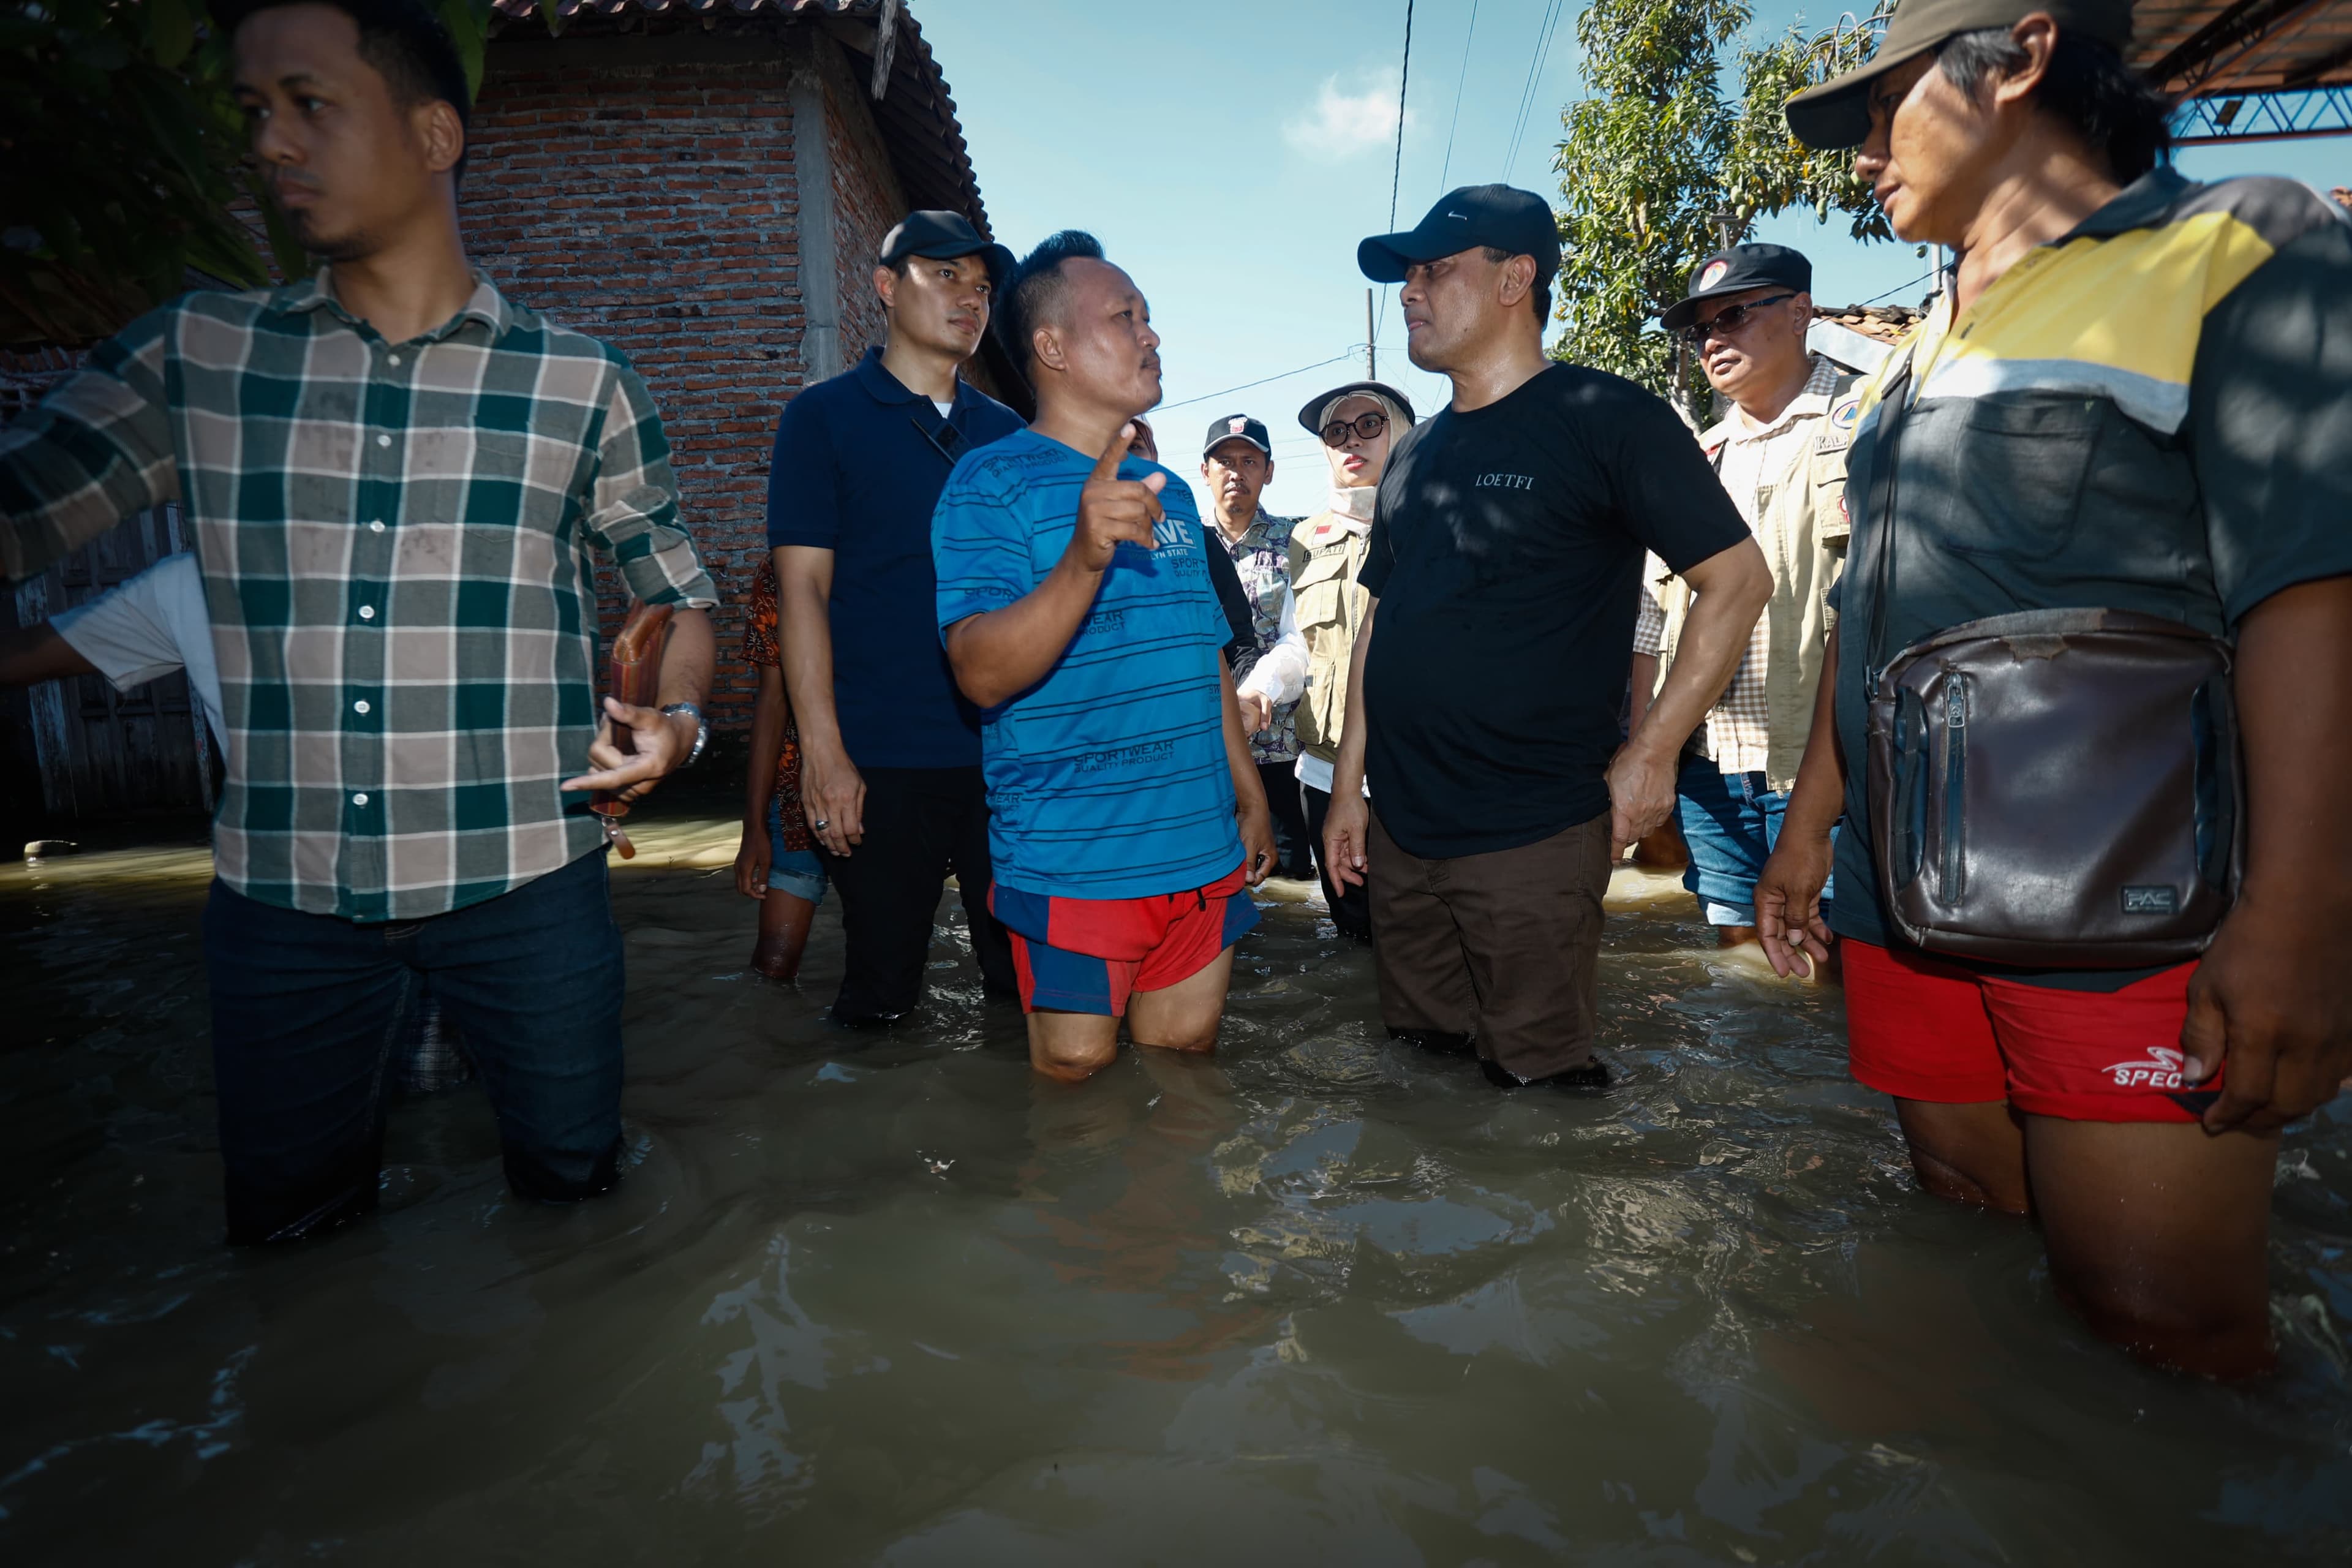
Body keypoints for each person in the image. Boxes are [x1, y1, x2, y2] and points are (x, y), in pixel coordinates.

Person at [0, 0, 718, 1243]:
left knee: (579, 1203)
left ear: (433, 131)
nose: (272, 146)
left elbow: (676, 594)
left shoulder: (578, 380)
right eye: (253, 115)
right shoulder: (200, 358)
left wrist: (681, 719)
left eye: (309, 104)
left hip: (529, 885)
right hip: (285, 901)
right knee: (288, 1239)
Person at [1758, 0, 2352, 1376]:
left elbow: (2314, 586)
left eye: (1882, 106)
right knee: (1964, 1234)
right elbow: (1866, 613)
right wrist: (1809, 826)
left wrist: (2306, 915)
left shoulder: (2237, 242)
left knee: (2167, 1336)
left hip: (2134, 909)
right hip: (1906, 899)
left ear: (2021, 57)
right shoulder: (1910, 356)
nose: (1861, 156)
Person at [1321, 185, 1772, 1091]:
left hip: (1531, 829)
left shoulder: (1609, 417)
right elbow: (1382, 618)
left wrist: (1651, 753)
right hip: (1403, 829)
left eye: (1434, 270)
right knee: (1420, 1073)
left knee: (1538, 1096)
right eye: (1407, 275)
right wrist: (1346, 789)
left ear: (1514, 279)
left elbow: (1738, 581)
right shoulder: (1416, 452)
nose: (1410, 291)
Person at [932, 230, 1276, 1083]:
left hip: (1200, 847)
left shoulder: (1175, 492)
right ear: (1051, 347)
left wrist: (1248, 792)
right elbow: (976, 671)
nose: (1151, 335)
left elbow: (1203, 656)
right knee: (1076, 1082)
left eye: (1149, 318)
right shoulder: (988, 484)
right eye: (1125, 317)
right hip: (1073, 855)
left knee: (1186, 1066)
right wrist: (1083, 556)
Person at [0, 551, 473, 1094]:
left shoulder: (438, 550)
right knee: (322, 1108)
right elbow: (25, 653)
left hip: (454, 888)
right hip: (290, 904)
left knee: (433, 1097)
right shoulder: (191, 582)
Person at [768, 209, 1023, 1025]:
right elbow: (801, 592)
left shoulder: (1009, 434)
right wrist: (824, 755)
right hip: (878, 759)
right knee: (881, 993)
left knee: (1024, 989)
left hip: (1005, 761)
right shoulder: (823, 417)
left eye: (981, 286)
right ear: (885, 286)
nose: (969, 298)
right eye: (944, 275)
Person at [1630, 244, 1858, 952]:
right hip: (1711, 771)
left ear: (1800, 313)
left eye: (1732, 315)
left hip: (1830, 769)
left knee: (1827, 963)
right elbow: (1649, 623)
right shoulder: (1697, 460)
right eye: (1701, 330)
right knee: (1740, 972)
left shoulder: (1867, 428)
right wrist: (1647, 755)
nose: (1713, 340)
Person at [1228, 380, 1417, 943]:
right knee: (1357, 941)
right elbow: (1296, 644)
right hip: (1326, 777)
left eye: (1368, 426)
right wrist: (1258, 692)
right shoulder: (1306, 539)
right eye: (1336, 432)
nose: (1350, 441)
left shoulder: (1441, 522)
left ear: (1404, 434)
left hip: (1417, 775)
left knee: (1424, 940)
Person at [1200, 414, 1312, 881]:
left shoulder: (1301, 540)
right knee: (1211, 885)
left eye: (1250, 461)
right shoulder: (1182, 546)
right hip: (1205, 753)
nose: (1236, 472)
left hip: (1281, 748)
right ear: (1204, 471)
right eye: (1224, 461)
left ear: (1269, 471)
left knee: (1287, 885)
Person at [733, 556, 827, 981]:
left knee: (885, 966)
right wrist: (753, 827)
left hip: (886, 782)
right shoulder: (780, 569)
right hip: (796, 798)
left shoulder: (900, 555)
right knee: (772, 967)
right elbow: (770, 701)